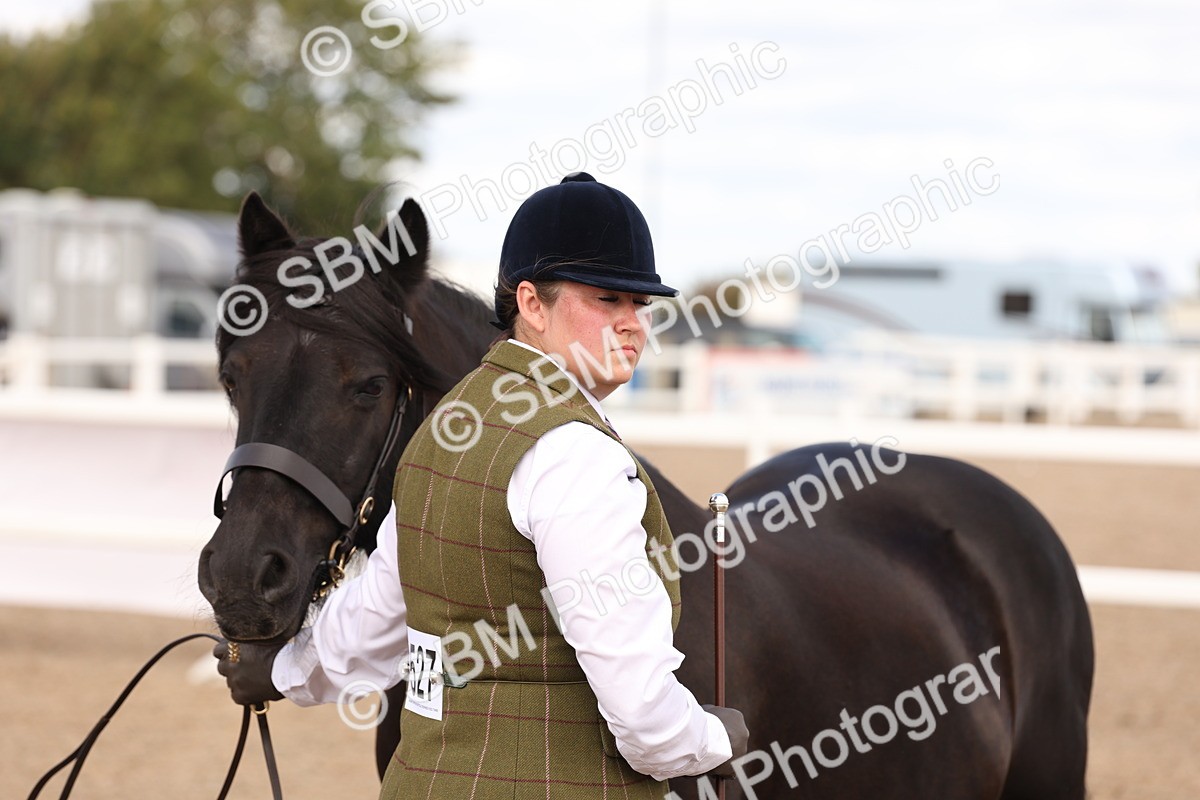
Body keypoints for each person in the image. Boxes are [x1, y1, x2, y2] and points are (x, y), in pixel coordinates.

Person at [216, 172, 749, 798]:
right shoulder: (577, 456)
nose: (633, 324)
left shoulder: (441, 433)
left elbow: (373, 621)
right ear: (531, 304)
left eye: (641, 304)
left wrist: (282, 672)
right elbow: (639, 710)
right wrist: (711, 739)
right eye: (607, 300)